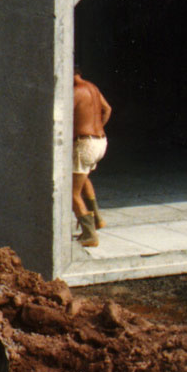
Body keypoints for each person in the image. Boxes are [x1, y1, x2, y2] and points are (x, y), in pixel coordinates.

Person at [72, 67, 112, 247]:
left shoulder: (74, 92)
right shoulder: (92, 87)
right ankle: (97, 219)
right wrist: (97, 129)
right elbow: (107, 109)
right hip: (100, 142)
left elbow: (60, 116)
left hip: (85, 143)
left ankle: (90, 235)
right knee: (84, 179)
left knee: (71, 193)